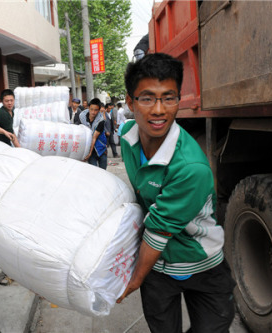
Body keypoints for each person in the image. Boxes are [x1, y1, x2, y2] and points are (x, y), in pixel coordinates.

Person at [116, 53, 235, 333]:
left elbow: (158, 233)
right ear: (130, 102)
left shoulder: (190, 167)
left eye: (168, 98)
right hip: (156, 268)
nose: (159, 109)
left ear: (178, 101)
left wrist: (133, 282)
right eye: (147, 98)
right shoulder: (127, 137)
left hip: (202, 263)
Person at [79, 98, 108, 169]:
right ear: (88, 107)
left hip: (100, 149)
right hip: (88, 149)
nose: (93, 112)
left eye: (96, 110)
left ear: (99, 110)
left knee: (103, 172)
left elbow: (94, 137)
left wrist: (89, 153)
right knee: (94, 170)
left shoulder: (101, 121)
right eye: (91, 109)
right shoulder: (81, 117)